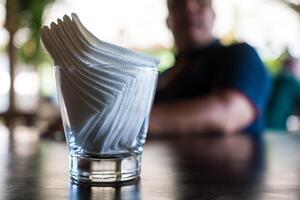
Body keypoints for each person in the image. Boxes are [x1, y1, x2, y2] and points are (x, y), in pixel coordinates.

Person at [150, 0, 271, 136]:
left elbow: (228, 114)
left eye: (201, 3)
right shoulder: (159, 77)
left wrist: (135, 121)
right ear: (167, 21)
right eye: (178, 3)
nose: (190, 8)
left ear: (213, 16)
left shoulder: (240, 55)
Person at [267, 57, 300, 131]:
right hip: (275, 130)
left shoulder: (273, 79)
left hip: (258, 128)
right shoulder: (292, 82)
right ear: (294, 67)